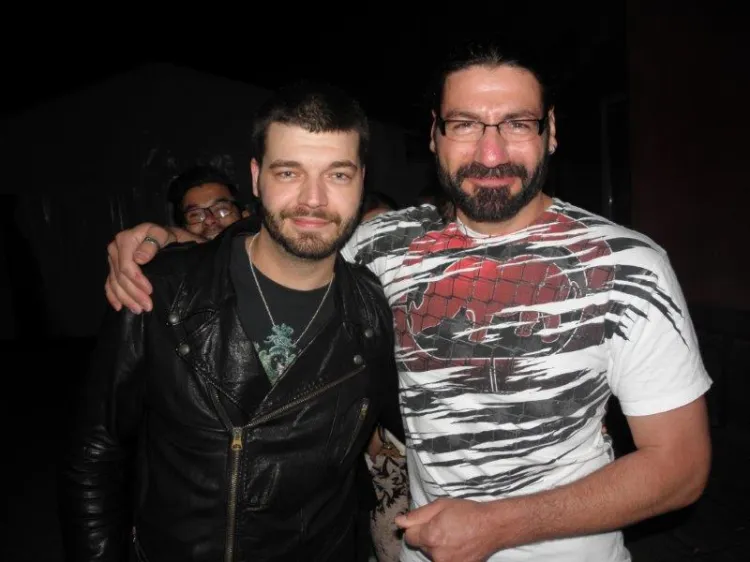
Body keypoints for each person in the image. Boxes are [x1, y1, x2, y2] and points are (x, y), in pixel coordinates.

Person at [100, 40, 712, 562]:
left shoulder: (628, 265)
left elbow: (681, 468)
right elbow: (289, 239)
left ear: (550, 132)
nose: (491, 153)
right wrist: (172, 243)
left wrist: (499, 525)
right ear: (435, 135)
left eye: (517, 124)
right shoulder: (382, 245)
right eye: (465, 124)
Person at [59, 81, 403, 562]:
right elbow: (95, 455)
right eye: (289, 172)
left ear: (362, 180)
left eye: (338, 174)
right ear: (257, 177)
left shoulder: (376, 311)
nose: (314, 199)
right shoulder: (162, 291)